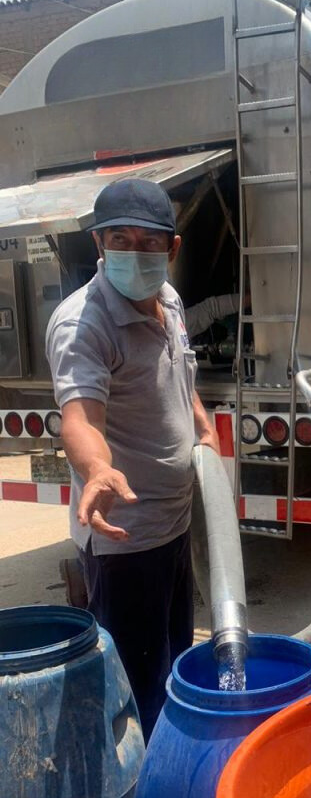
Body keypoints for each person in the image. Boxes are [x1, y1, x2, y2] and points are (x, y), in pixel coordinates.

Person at [46, 178, 220, 740]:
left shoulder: (167, 301)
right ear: (99, 243)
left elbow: (181, 376)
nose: (135, 252)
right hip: (127, 540)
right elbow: (81, 417)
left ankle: (171, 764)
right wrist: (97, 468)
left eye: (150, 242)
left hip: (172, 525)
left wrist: (204, 427)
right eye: (120, 238)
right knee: (135, 689)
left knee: (174, 662)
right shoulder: (84, 323)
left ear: (172, 249)